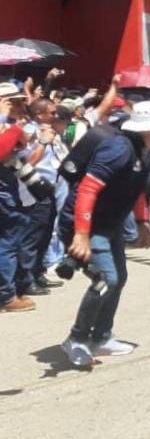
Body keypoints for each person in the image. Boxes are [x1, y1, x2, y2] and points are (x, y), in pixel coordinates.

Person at [59, 101, 150, 366]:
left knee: (118, 277)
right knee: (105, 279)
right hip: (85, 225)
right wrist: (81, 234)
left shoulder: (146, 152)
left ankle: (100, 338)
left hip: (108, 225)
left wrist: (143, 222)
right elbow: (88, 189)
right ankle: (76, 339)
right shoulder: (118, 149)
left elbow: (137, 191)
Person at [15, 99, 64, 295]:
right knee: (32, 237)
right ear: (39, 115)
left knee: (45, 235)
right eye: (51, 113)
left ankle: (38, 273)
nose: (56, 116)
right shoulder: (29, 133)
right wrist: (42, 143)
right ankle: (25, 281)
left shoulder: (51, 132)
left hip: (49, 190)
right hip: (32, 192)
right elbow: (27, 163)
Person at [0, 83, 37, 313]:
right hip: (4, 190)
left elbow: (23, 148)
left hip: (13, 185)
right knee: (8, 243)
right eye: (13, 101)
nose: (20, 105)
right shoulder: (6, 124)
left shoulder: (12, 126)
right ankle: (6, 296)